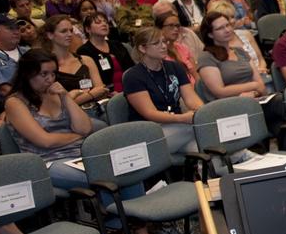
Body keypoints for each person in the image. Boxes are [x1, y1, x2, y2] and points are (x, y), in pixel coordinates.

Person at [2, 50, 155, 234]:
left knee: (126, 168)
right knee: (104, 177)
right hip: (45, 163)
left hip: (80, 154)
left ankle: (133, 229)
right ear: (27, 75)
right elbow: (44, 141)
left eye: (53, 74)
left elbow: (85, 127)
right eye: (43, 74)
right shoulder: (15, 103)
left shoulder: (57, 93)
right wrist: (76, 137)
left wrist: (65, 96)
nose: (50, 79)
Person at [122, 25, 204, 155]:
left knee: (207, 151)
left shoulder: (174, 67)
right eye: (156, 43)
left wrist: (202, 114)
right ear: (142, 48)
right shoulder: (133, 76)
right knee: (201, 130)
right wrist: (183, 118)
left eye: (164, 41)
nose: (164, 46)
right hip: (150, 133)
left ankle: (242, 159)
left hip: (178, 129)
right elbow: (150, 114)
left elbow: (191, 98)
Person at [39, 15, 110, 110]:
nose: (69, 34)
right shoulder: (46, 66)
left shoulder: (86, 60)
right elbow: (57, 105)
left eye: (71, 30)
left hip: (97, 108)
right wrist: (91, 94)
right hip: (69, 116)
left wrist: (73, 98)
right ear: (50, 35)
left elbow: (102, 91)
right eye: (64, 31)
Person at [78, 12, 134, 92]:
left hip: (130, 88)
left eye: (106, 22)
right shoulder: (84, 51)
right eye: (98, 22)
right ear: (87, 29)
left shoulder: (117, 44)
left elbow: (131, 68)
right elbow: (87, 81)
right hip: (106, 93)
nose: (104, 24)